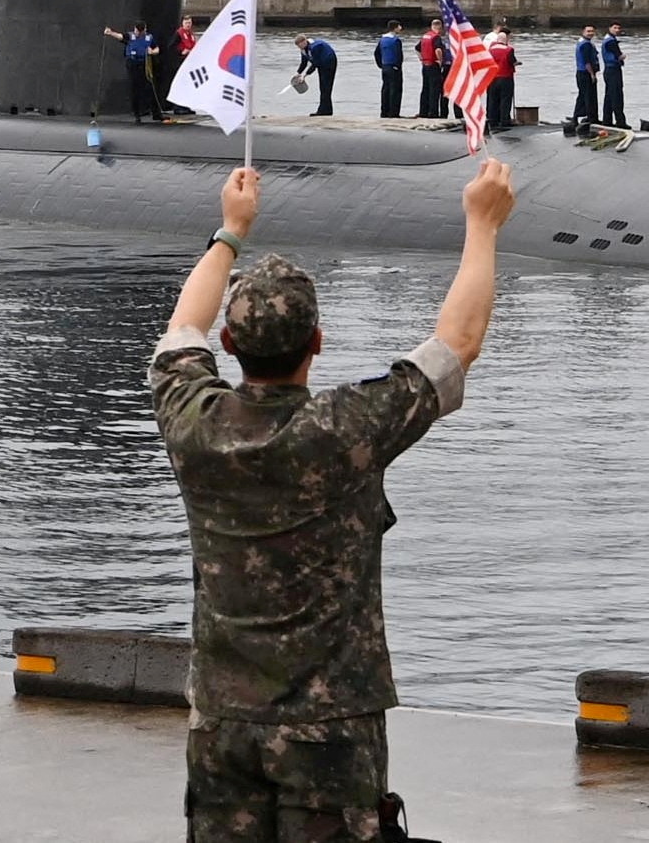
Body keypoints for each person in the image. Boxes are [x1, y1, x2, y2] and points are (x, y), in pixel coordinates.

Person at [149, 158, 509, 842]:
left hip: (222, 722)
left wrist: (230, 231)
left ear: (231, 345)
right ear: (316, 342)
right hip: (330, 730)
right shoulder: (344, 428)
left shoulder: (194, 421)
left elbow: (180, 331)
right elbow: (458, 343)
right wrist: (482, 222)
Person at [105, 24, 163, 123]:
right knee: (135, 89)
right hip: (133, 64)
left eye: (140, 32)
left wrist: (152, 51)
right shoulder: (130, 36)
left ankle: (156, 114)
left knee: (151, 88)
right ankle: (137, 114)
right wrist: (110, 33)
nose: (138, 33)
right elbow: (120, 36)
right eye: (137, 31)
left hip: (145, 64)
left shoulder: (149, 37)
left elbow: (157, 49)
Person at [294, 35, 337, 116]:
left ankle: (324, 111)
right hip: (321, 64)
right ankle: (326, 110)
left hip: (329, 62)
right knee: (322, 87)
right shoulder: (303, 50)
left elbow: (315, 64)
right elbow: (304, 63)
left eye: (300, 46)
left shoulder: (315, 47)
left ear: (304, 41)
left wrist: (305, 76)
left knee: (326, 87)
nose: (300, 48)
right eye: (298, 47)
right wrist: (298, 73)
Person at [487, 26, 517, 133]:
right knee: (505, 99)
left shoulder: (490, 49)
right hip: (505, 77)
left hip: (492, 78)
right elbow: (512, 62)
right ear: (506, 40)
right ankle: (504, 120)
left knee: (493, 100)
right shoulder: (509, 49)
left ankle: (492, 120)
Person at [417, 20, 448, 120]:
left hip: (425, 65)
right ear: (439, 27)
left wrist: (421, 58)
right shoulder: (436, 37)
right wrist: (440, 61)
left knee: (425, 89)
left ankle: (423, 112)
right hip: (433, 65)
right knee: (434, 90)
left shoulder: (425, 36)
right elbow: (438, 49)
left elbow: (417, 48)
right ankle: (433, 113)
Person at [599, 22, 627, 129]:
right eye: (614, 28)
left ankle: (607, 120)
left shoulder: (609, 40)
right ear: (609, 28)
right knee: (617, 96)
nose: (617, 30)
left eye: (618, 28)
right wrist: (622, 57)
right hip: (613, 70)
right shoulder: (610, 42)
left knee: (609, 96)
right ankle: (620, 122)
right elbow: (618, 55)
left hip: (609, 70)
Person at [374, 22, 404, 119]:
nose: (401, 28)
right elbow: (399, 56)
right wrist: (398, 66)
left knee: (385, 89)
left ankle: (384, 112)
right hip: (394, 67)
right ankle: (394, 113)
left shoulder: (382, 39)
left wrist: (381, 65)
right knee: (395, 90)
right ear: (395, 28)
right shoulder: (396, 40)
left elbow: (376, 53)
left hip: (385, 67)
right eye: (399, 26)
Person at [571, 25, 600, 126]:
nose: (591, 33)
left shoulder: (581, 42)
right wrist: (592, 74)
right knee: (589, 96)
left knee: (582, 95)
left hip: (580, 73)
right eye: (588, 31)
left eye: (592, 31)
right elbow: (587, 61)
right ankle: (591, 118)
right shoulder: (585, 45)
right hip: (585, 73)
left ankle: (577, 116)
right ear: (583, 32)